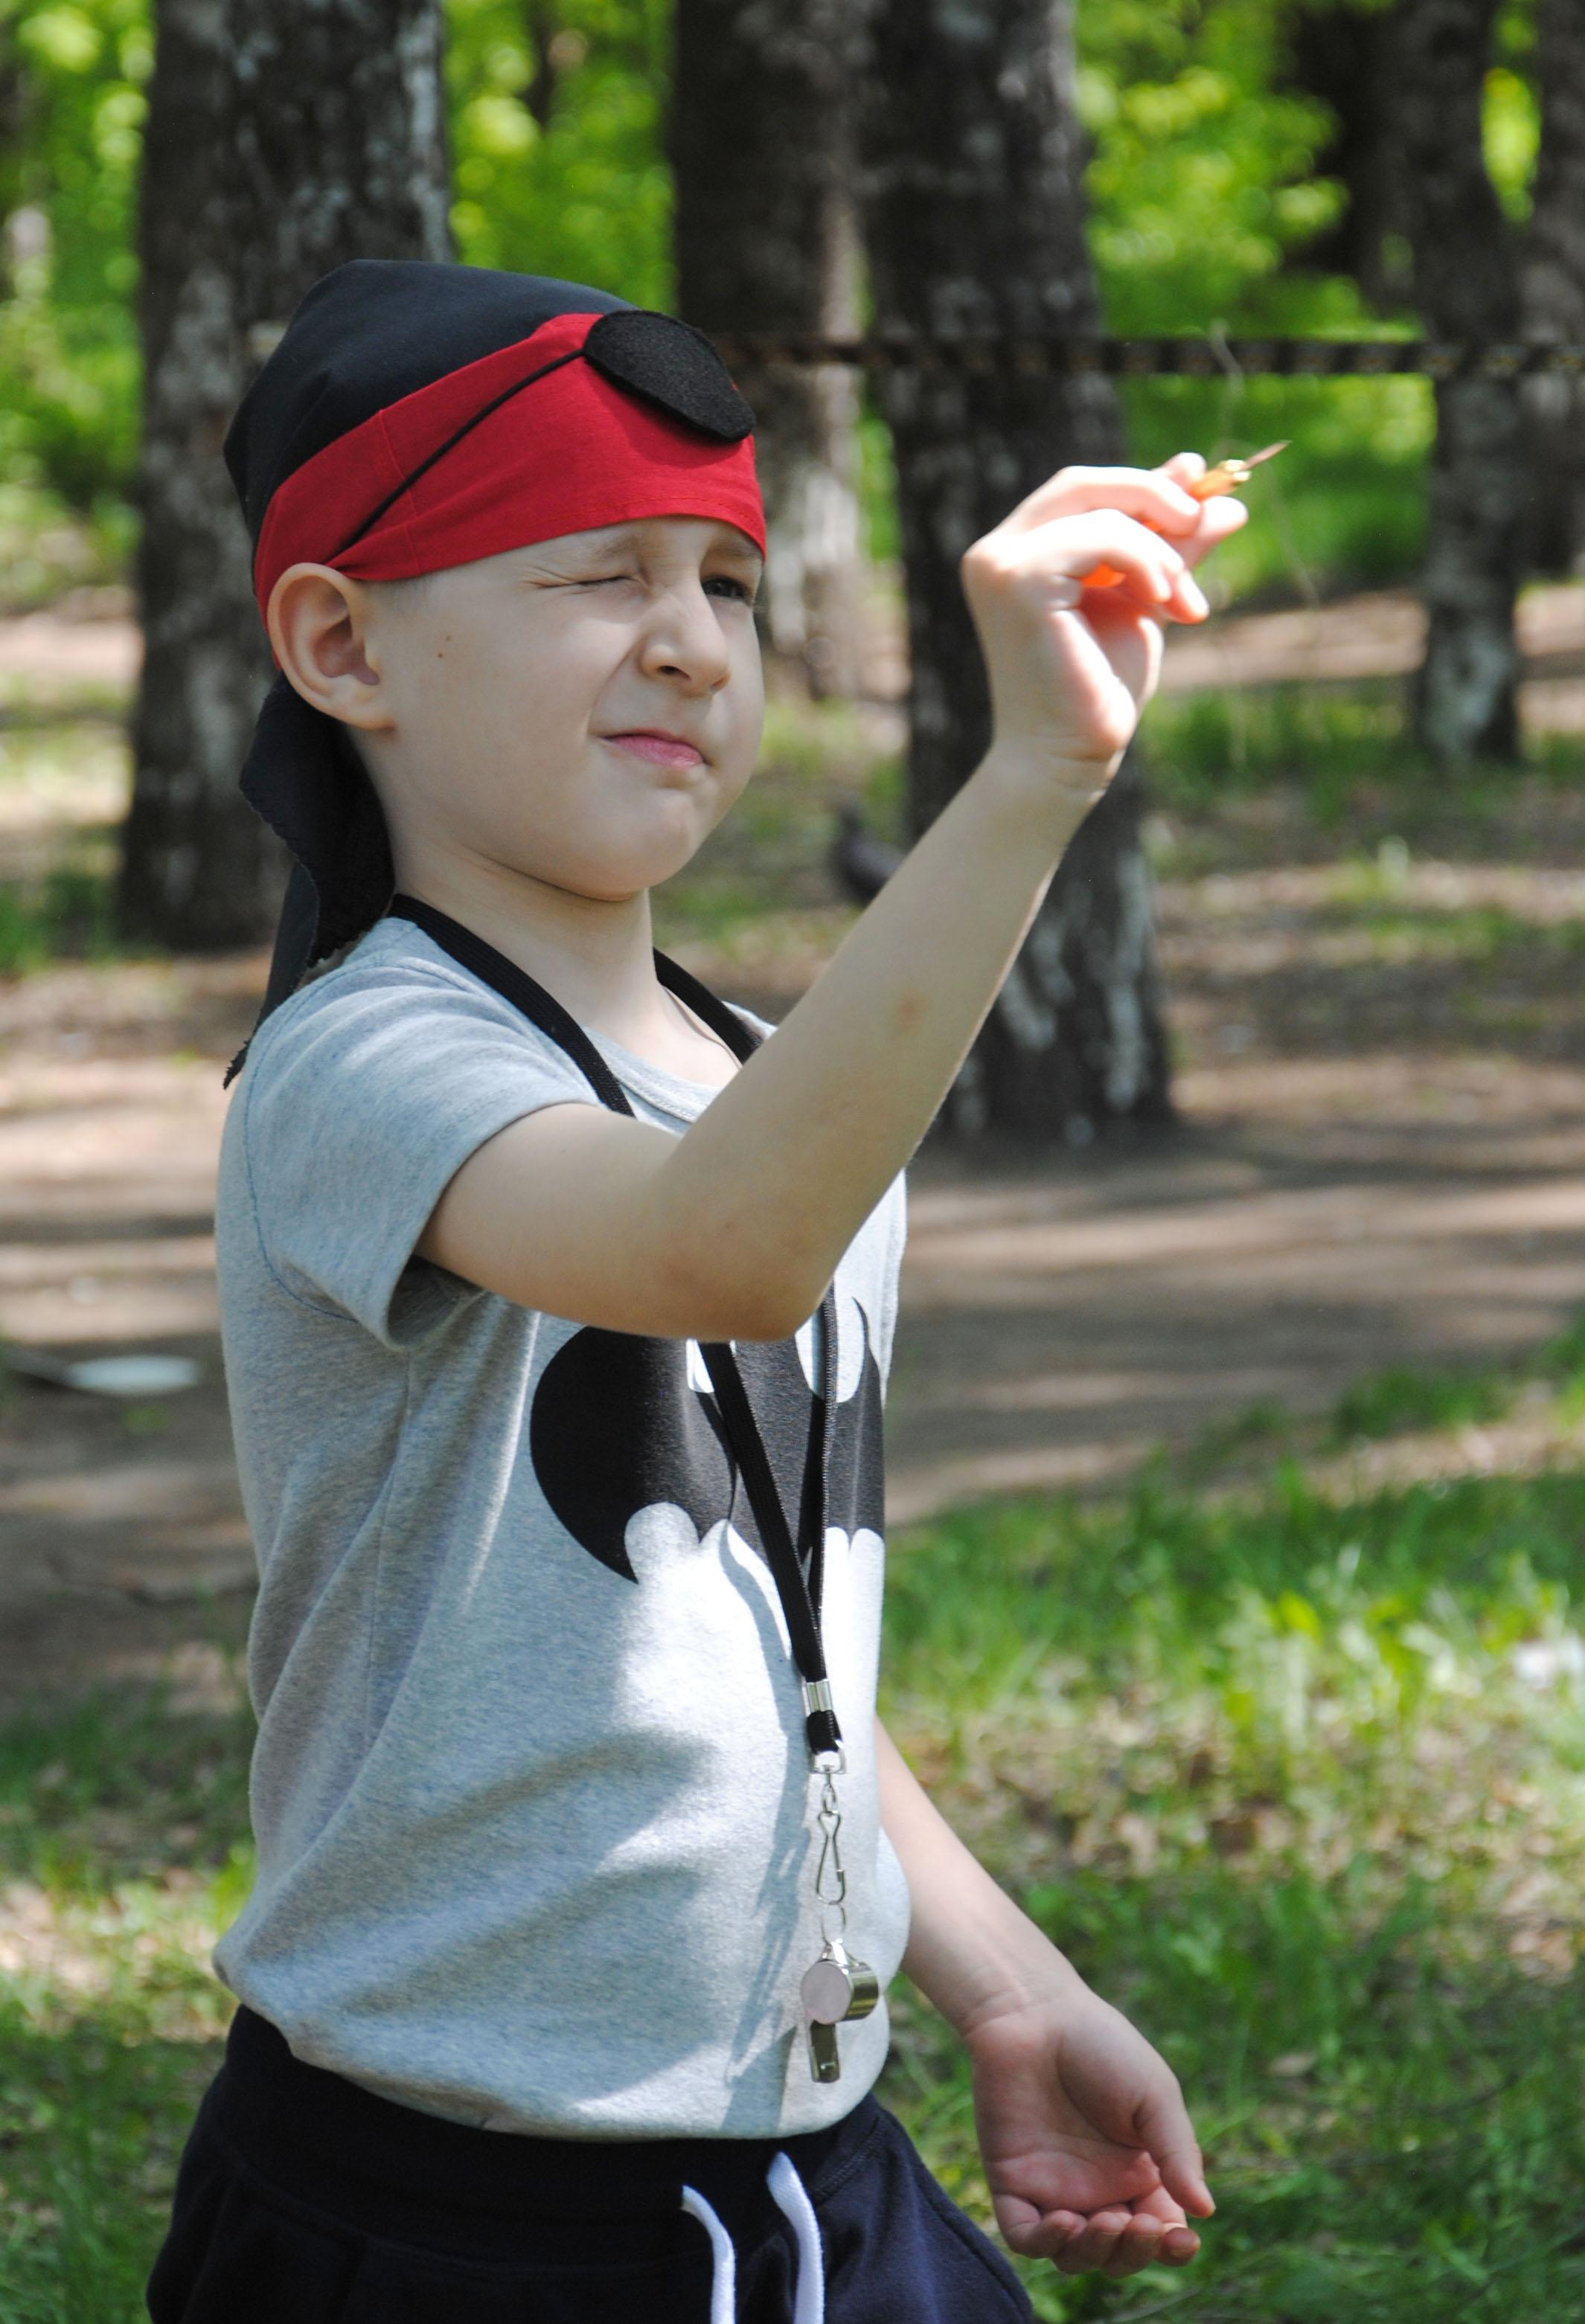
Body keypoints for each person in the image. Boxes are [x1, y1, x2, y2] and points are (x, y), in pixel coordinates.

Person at [146, 259, 1245, 2324]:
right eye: (592, 572)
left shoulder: (753, 1073)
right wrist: (1031, 780)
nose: (685, 640)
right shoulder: (359, 1064)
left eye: (726, 581)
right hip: (461, 2210)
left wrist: (1008, 1984)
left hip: (812, 2160)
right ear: (340, 640)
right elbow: (718, 1254)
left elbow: (755, 1611)